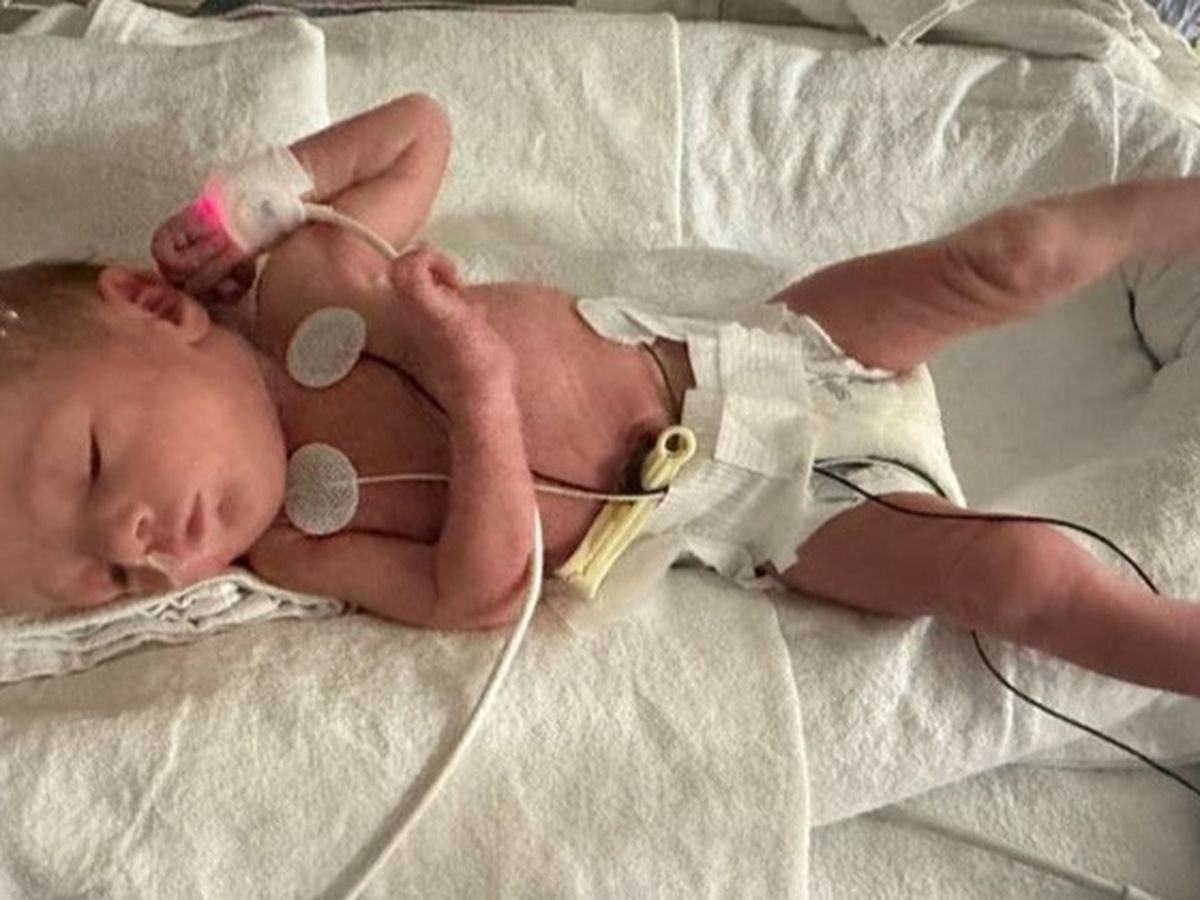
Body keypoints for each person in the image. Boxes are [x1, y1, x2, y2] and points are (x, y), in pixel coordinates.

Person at [1, 93, 1197, 698]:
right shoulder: (299, 545)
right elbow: (479, 592)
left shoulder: (312, 272)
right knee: (1012, 578)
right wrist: (475, 391)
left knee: (1009, 261)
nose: (147, 549)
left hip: (765, 356)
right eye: (112, 577)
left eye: (99, 470)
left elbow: (420, 132)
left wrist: (264, 195)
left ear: (153, 307)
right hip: (768, 516)